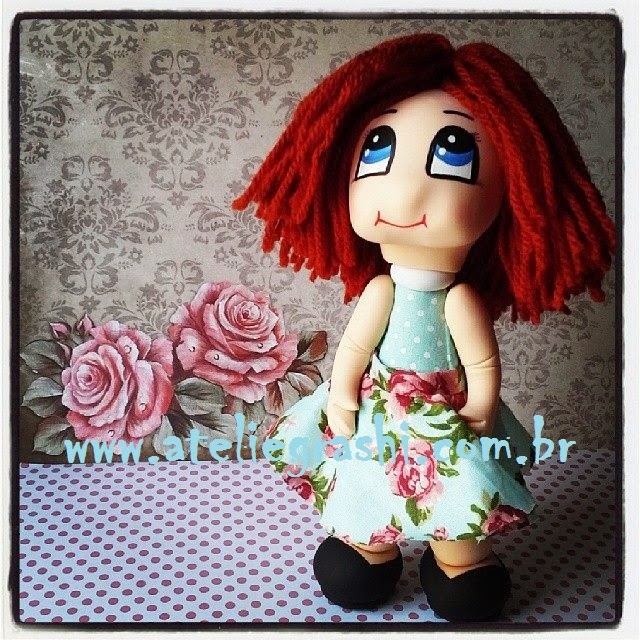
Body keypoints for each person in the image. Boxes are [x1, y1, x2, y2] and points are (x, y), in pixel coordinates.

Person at [232, 33, 615, 622]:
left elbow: (482, 362)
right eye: (377, 152)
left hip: (448, 419)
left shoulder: (460, 299)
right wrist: (340, 396)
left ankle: (458, 560)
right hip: (379, 412)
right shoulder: (381, 291)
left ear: (512, 192)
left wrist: (482, 405)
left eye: (454, 156)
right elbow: (355, 347)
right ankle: (369, 549)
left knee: (458, 503)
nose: (407, 191)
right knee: (364, 490)